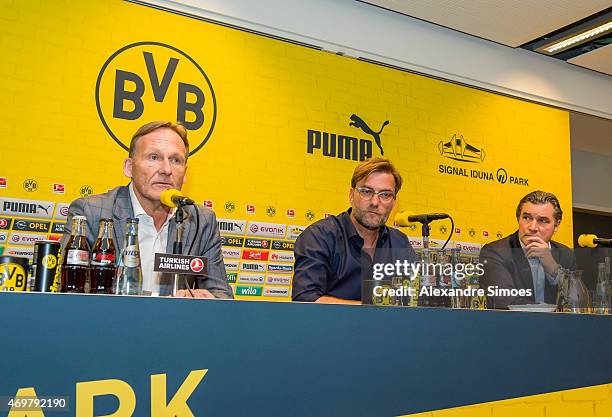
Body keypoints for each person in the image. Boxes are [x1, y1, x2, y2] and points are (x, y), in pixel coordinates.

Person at [61, 121, 233, 298]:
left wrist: (204, 298)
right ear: (129, 167)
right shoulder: (91, 212)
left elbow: (221, 294)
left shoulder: (200, 220)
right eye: (154, 157)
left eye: (176, 160)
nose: (166, 170)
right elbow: (67, 289)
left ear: (185, 173)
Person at [292, 157, 417, 304]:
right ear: (351, 195)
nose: (375, 202)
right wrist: (374, 309)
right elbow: (306, 300)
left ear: (394, 202)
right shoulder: (319, 237)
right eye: (366, 192)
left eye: (385, 195)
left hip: (386, 327)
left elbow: (413, 298)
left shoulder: (400, 242)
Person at [479, 190, 576, 309]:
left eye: (543, 221)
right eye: (526, 218)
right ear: (518, 219)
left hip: (556, 327)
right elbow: (504, 301)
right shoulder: (495, 251)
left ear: (556, 225)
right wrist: (553, 311)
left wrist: (552, 267)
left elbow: (577, 300)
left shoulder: (566, 254)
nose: (533, 227)